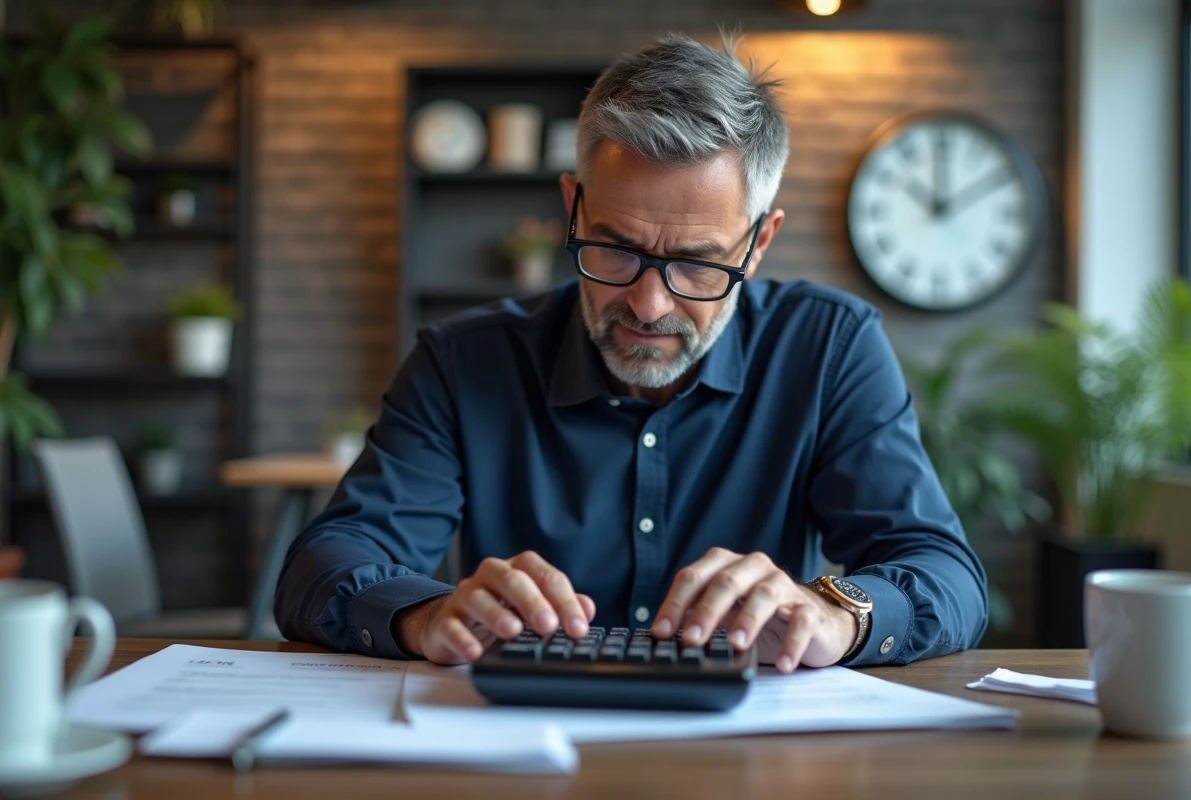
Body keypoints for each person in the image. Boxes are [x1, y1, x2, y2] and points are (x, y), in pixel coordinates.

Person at [275, 33, 988, 673]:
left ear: (759, 242)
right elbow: (323, 566)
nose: (649, 306)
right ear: (573, 208)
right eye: (614, 249)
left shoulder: (829, 348)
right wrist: (426, 616)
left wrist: (837, 614)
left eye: (698, 265)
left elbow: (945, 575)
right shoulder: (463, 362)